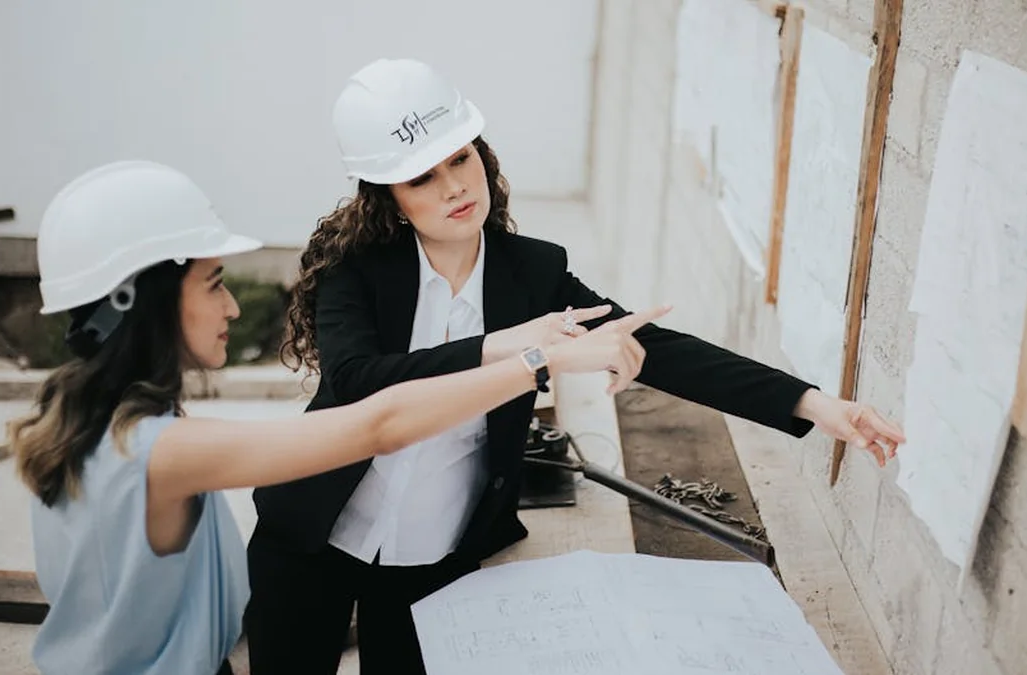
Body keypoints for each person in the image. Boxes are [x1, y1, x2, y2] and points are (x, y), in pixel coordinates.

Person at [245, 58, 906, 675]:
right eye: (422, 177)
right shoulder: (356, 271)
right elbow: (357, 381)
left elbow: (658, 349)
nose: (454, 187)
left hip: (433, 559)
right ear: (389, 197)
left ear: (482, 155)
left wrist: (812, 402)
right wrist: (511, 347)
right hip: (310, 538)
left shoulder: (533, 272)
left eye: (460, 158)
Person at [9, 160, 665, 675]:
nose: (233, 306)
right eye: (214, 282)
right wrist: (539, 357)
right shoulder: (156, 449)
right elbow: (378, 425)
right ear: (146, 301)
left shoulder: (79, 421)